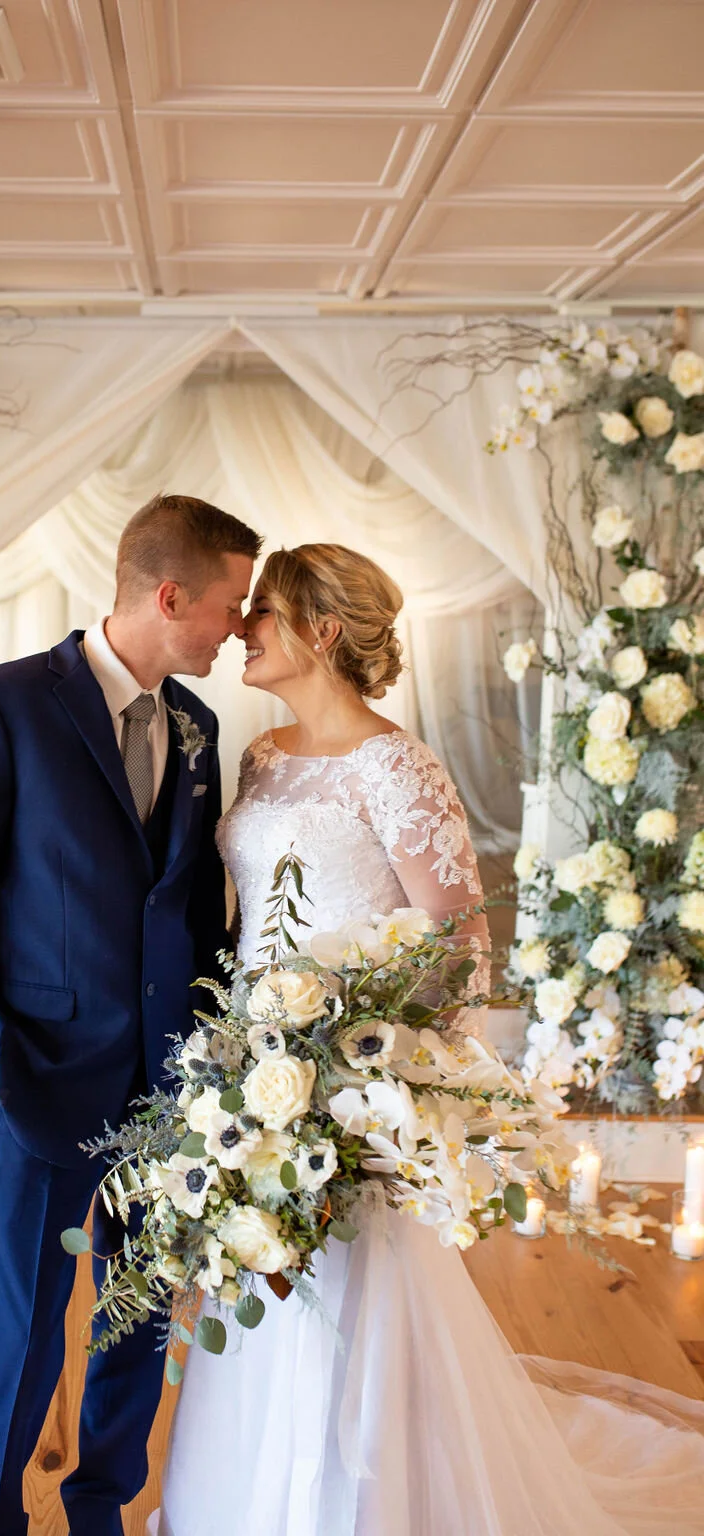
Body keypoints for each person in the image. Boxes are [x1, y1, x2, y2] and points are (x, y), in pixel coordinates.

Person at [153, 543, 704, 1536]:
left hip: (353, 1090)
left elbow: (459, 953)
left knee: (349, 1300)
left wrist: (376, 1085)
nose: (243, 627)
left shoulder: (396, 766)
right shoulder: (261, 755)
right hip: (254, 1072)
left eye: (265, 611)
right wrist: (247, 1055)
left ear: (322, 631)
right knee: (267, 1285)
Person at [0, 492, 261, 1536]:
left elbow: (194, 904)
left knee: (138, 1315)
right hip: (37, 1070)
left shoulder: (196, 725)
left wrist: (211, 1053)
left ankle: (100, 1506)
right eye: (231, 603)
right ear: (169, 596)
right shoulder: (6, 704)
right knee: (22, 1326)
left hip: (166, 1083)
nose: (238, 625)